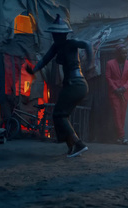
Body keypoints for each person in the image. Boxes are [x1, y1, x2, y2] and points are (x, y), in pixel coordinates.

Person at [26, 14, 93, 158]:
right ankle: (72, 147)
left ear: (63, 34)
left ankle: (79, 144)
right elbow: (44, 60)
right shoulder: (56, 47)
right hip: (73, 85)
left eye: (59, 34)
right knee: (61, 115)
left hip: (76, 84)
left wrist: (90, 63)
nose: (56, 37)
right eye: (55, 34)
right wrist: (33, 70)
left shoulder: (71, 43)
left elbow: (87, 44)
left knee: (59, 114)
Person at [105, 44, 128, 144]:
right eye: (122, 53)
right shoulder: (110, 63)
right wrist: (115, 89)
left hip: (124, 93)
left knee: (122, 115)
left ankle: (119, 137)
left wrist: (124, 88)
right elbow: (108, 77)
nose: (125, 54)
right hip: (114, 93)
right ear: (117, 53)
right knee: (117, 113)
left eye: (126, 53)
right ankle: (122, 136)